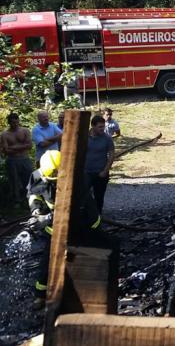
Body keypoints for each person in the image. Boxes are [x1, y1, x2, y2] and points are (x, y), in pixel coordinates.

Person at [26, 150, 105, 309]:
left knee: (87, 259)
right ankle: (41, 295)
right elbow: (33, 195)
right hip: (55, 229)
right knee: (48, 262)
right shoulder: (37, 176)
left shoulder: (78, 179)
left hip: (86, 225)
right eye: (52, 179)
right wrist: (36, 211)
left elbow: (75, 210)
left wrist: (47, 219)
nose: (56, 183)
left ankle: (89, 295)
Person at [0, 113, 34, 206]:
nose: (14, 124)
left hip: (24, 158)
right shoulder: (5, 134)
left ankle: (30, 198)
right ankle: (17, 200)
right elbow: (6, 150)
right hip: (12, 160)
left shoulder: (25, 131)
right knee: (14, 181)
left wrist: (13, 147)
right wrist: (22, 146)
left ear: (18, 121)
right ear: (9, 123)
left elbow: (29, 146)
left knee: (29, 178)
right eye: (12, 122)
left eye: (16, 122)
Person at [85, 115, 115, 213]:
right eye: (100, 127)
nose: (103, 129)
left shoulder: (107, 138)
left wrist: (105, 171)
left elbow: (111, 155)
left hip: (100, 173)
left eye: (104, 126)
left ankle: (98, 217)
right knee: (83, 195)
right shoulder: (84, 137)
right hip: (86, 173)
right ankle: (85, 217)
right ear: (92, 126)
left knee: (99, 197)